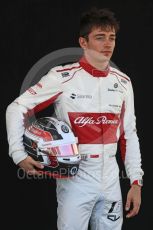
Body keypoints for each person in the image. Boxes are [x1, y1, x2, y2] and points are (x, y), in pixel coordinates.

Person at [6, 7, 144, 230]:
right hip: (75, 178)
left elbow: (130, 135)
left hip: (111, 179)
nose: (108, 44)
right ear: (83, 42)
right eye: (100, 38)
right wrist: (18, 154)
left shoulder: (124, 82)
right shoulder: (62, 77)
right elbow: (16, 108)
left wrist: (136, 182)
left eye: (112, 38)